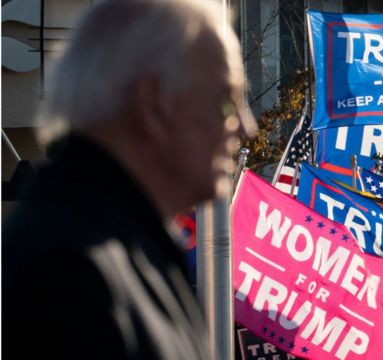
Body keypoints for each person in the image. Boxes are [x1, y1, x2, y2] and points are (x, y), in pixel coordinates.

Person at [2, 0, 256, 358]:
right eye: (227, 103)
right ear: (153, 103)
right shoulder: (67, 274)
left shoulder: (128, 247)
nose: (247, 128)